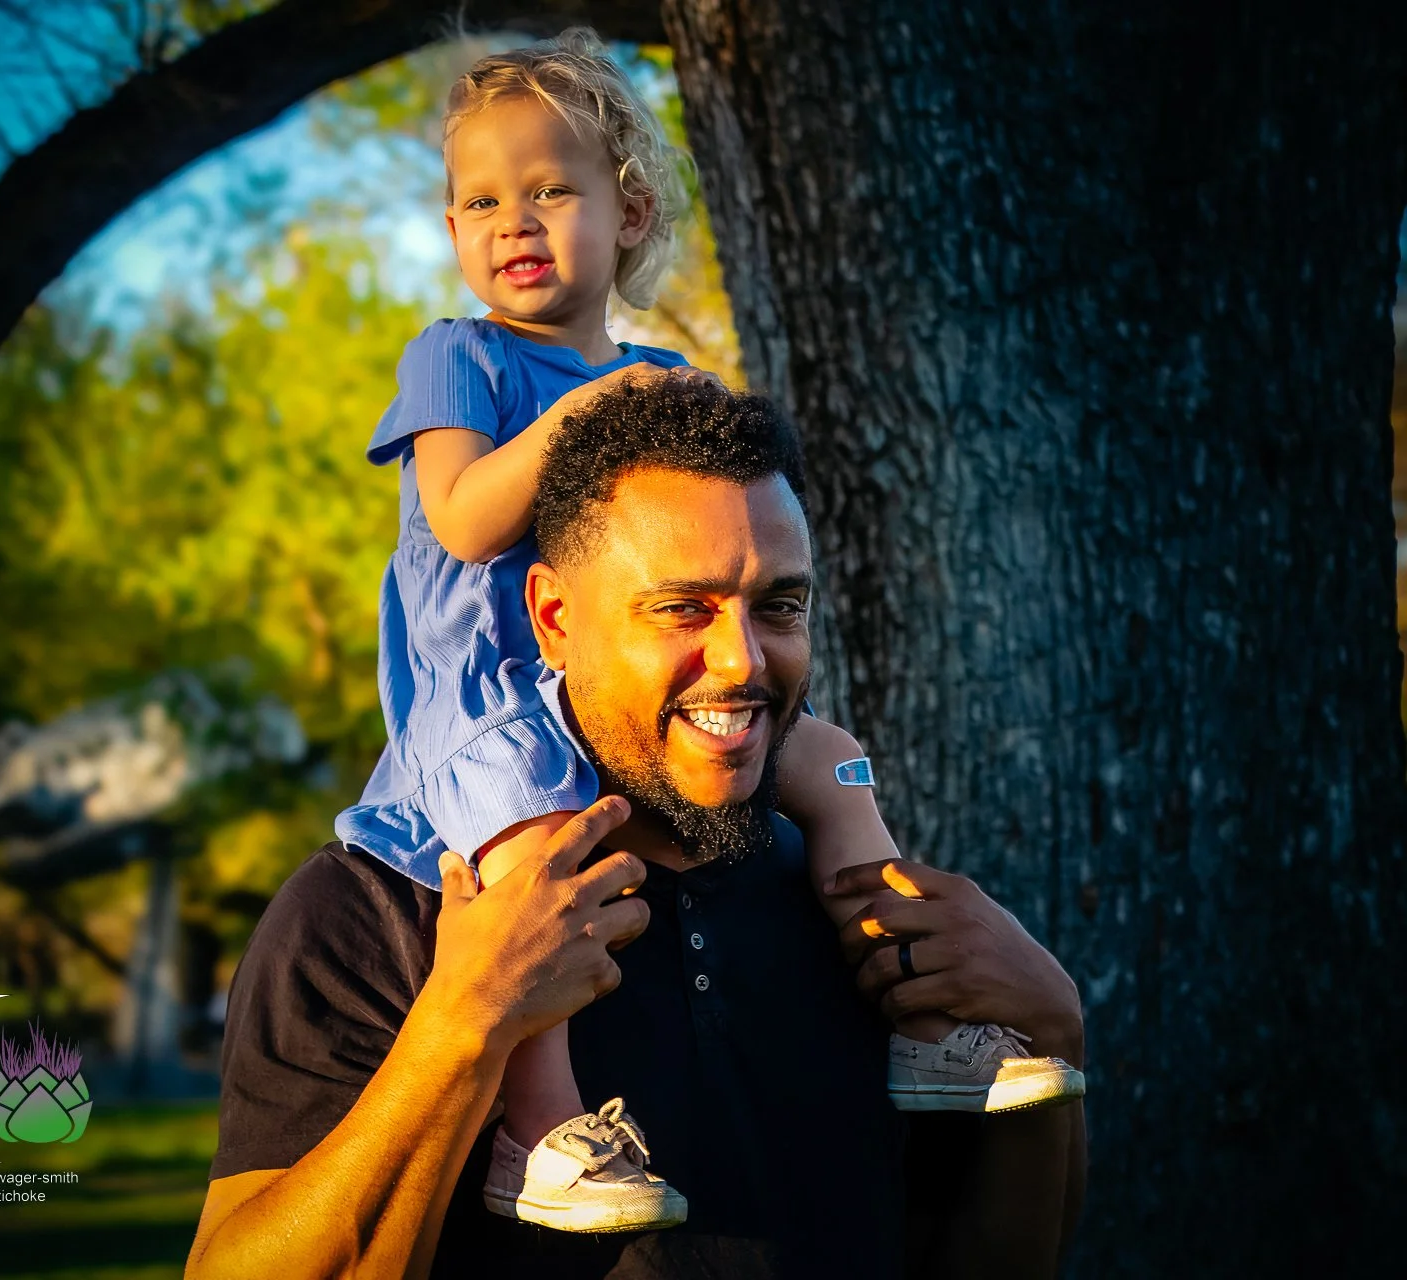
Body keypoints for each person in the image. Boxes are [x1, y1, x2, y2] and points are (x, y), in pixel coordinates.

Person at [329, 28, 1080, 1234]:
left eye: (548, 190)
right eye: (479, 200)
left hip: (629, 689)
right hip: (493, 697)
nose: (511, 221)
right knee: (537, 875)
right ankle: (544, 1125)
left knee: (831, 764)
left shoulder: (660, 370)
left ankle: (933, 1024)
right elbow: (466, 522)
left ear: (626, 214)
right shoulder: (456, 358)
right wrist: (594, 407)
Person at [186, 377, 1087, 1280]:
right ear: (554, 619)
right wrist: (466, 1024)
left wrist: (1054, 1034)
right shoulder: (370, 915)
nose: (742, 660)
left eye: (779, 606)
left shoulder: (863, 919)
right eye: (680, 608)